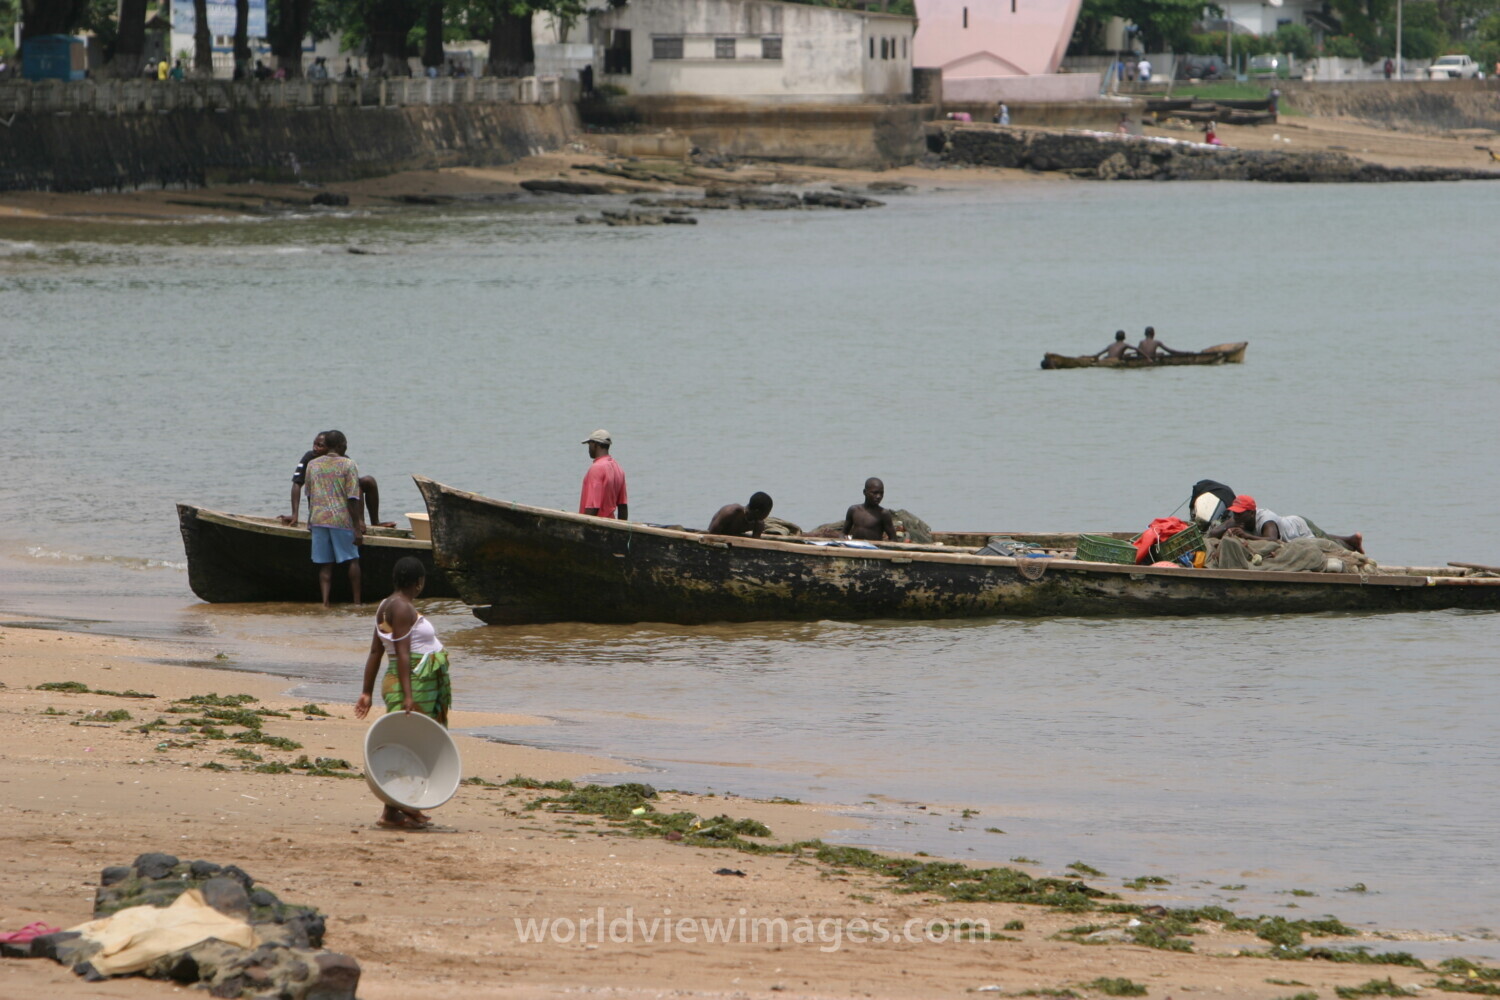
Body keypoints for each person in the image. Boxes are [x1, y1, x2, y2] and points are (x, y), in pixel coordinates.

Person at [355, 556, 451, 830]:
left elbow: (376, 650)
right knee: (413, 743)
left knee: (407, 740)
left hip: (397, 680)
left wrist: (366, 691)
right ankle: (403, 806)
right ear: (419, 582)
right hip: (412, 683)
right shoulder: (404, 609)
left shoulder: (385, 605)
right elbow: (404, 655)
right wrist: (409, 695)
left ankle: (393, 811)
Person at [279, 431, 396, 528]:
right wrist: (295, 514)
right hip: (321, 512)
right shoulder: (310, 459)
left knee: (367, 481)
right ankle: (358, 523)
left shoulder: (344, 460)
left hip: (340, 507)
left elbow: (353, 491)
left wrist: (357, 521)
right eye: (314, 444)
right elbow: (297, 484)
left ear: (330, 447)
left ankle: (370, 522)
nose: (315, 448)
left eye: (320, 445)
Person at [304, 429, 366, 606]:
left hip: (318, 519)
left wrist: (311, 519)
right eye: (345, 444)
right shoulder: (349, 464)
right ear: (340, 445)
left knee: (325, 565)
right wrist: (357, 527)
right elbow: (353, 498)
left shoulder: (312, 465)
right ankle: (356, 602)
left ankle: (325, 603)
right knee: (352, 560)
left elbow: (308, 494)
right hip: (341, 519)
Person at [1207, 495, 1364, 553]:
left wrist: (1246, 535)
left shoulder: (1266, 521)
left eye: (1240, 513)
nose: (1236, 516)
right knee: (1324, 534)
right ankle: (1350, 538)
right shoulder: (1238, 518)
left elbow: (1273, 540)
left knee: (1326, 542)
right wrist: (1226, 526)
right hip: (1288, 524)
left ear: (1252, 513)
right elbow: (1212, 534)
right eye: (1235, 512)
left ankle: (1351, 543)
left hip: (1300, 526)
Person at [579, 429, 628, 520]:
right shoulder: (618, 468)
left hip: (596, 527)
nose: (589, 448)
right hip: (610, 525)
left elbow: (592, 506)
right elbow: (623, 506)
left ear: (595, 444)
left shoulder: (597, 468)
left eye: (589, 444)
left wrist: (583, 529)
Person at [843, 478, 898, 542]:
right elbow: (843, 533)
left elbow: (893, 539)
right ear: (864, 492)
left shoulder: (883, 514)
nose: (878, 496)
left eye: (881, 493)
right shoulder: (853, 510)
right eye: (875, 493)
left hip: (873, 549)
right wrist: (843, 540)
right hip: (855, 547)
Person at [708, 493, 774, 538]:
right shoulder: (731, 512)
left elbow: (755, 545)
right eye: (768, 512)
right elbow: (712, 534)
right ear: (757, 512)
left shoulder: (758, 524)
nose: (768, 515)